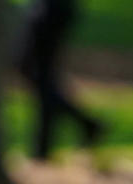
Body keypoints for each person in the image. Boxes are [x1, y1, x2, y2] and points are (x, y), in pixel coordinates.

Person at [14, 0, 104, 160]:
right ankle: (45, 146)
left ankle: (85, 125)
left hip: (51, 9)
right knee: (41, 78)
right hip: (50, 9)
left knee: (40, 77)